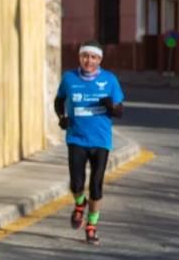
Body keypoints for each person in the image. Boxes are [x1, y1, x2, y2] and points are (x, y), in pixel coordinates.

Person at [53, 39, 125, 245]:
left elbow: (121, 111)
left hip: (101, 141)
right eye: (85, 56)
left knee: (96, 186)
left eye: (93, 57)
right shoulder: (69, 78)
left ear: (100, 59)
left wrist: (110, 105)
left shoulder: (109, 80)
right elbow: (59, 100)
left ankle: (91, 226)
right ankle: (79, 203)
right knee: (76, 183)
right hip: (76, 138)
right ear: (80, 57)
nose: (89, 60)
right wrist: (62, 117)